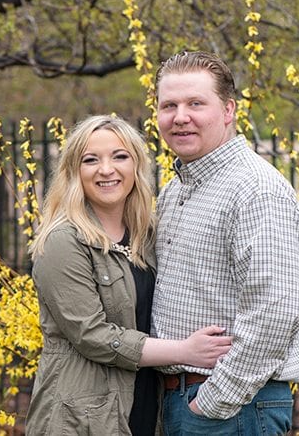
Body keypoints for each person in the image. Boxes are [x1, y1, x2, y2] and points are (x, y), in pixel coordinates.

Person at [26, 114, 233, 436]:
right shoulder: (63, 241)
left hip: (148, 403)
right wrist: (185, 351)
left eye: (119, 156)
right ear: (73, 172)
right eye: (90, 160)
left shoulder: (148, 235)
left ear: (136, 166)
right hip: (83, 414)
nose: (106, 170)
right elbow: (91, 335)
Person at [153, 51, 299, 436]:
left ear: (228, 111)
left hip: (231, 409)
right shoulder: (175, 191)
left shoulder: (255, 190)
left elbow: (274, 311)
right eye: (168, 105)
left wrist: (211, 402)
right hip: (183, 399)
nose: (180, 117)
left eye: (195, 103)